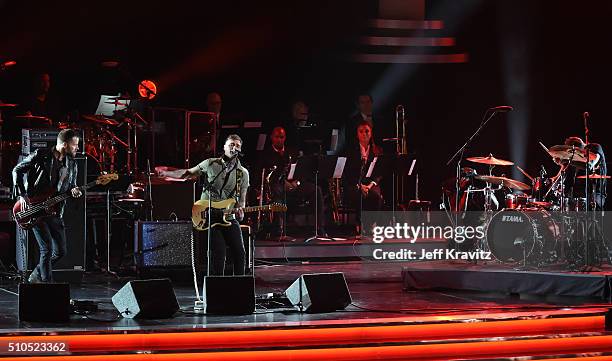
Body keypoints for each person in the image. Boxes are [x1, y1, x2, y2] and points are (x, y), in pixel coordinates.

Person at [160, 134, 249, 275]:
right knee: (219, 254)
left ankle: (239, 287)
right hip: (209, 215)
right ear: (224, 147)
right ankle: (217, 288)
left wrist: (241, 209)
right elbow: (188, 173)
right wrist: (166, 173)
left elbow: (242, 198)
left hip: (228, 216)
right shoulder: (210, 164)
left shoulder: (243, 173)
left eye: (237, 145)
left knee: (240, 253)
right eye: (231, 144)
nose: (234, 147)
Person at [12, 129, 83, 283]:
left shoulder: (72, 163)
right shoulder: (41, 155)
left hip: (55, 210)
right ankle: (47, 286)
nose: (77, 148)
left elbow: (71, 185)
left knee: (61, 252)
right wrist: (22, 195)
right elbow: (17, 170)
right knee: (47, 249)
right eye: (74, 145)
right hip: (35, 208)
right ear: (64, 145)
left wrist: (75, 190)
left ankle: (37, 274)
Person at [257, 126, 326, 237]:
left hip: (294, 184)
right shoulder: (265, 154)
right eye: (277, 137)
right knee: (277, 192)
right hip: (277, 186)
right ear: (271, 138)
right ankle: (279, 229)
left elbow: (301, 170)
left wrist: (297, 182)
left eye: (282, 137)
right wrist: (284, 183)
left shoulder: (291, 152)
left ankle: (320, 228)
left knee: (316, 190)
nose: (279, 139)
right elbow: (265, 177)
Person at [343, 120, 384, 234]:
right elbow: (347, 173)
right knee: (358, 194)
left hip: (371, 183)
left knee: (376, 196)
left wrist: (370, 185)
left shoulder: (377, 150)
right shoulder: (351, 151)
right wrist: (360, 186)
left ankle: (371, 224)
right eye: (361, 132)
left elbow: (379, 173)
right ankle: (359, 222)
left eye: (367, 131)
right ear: (357, 134)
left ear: (371, 133)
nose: (364, 134)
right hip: (355, 183)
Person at [554, 136, 607, 210]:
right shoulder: (574, 160)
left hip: (595, 194)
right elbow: (564, 169)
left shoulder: (595, 147)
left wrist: (567, 160)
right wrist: (555, 180)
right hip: (577, 195)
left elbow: (589, 166)